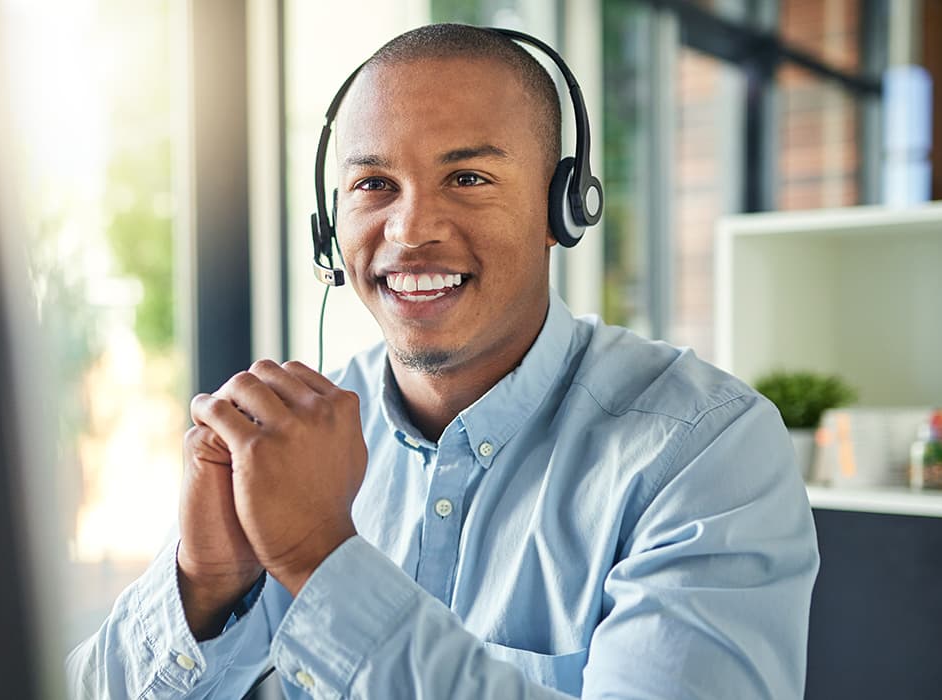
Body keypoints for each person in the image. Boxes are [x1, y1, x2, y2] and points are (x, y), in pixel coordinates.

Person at [68, 23, 818, 698]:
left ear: (563, 208)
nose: (412, 227)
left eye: (468, 178)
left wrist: (320, 561)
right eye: (373, 185)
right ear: (331, 229)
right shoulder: (292, 441)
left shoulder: (709, 450)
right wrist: (203, 587)